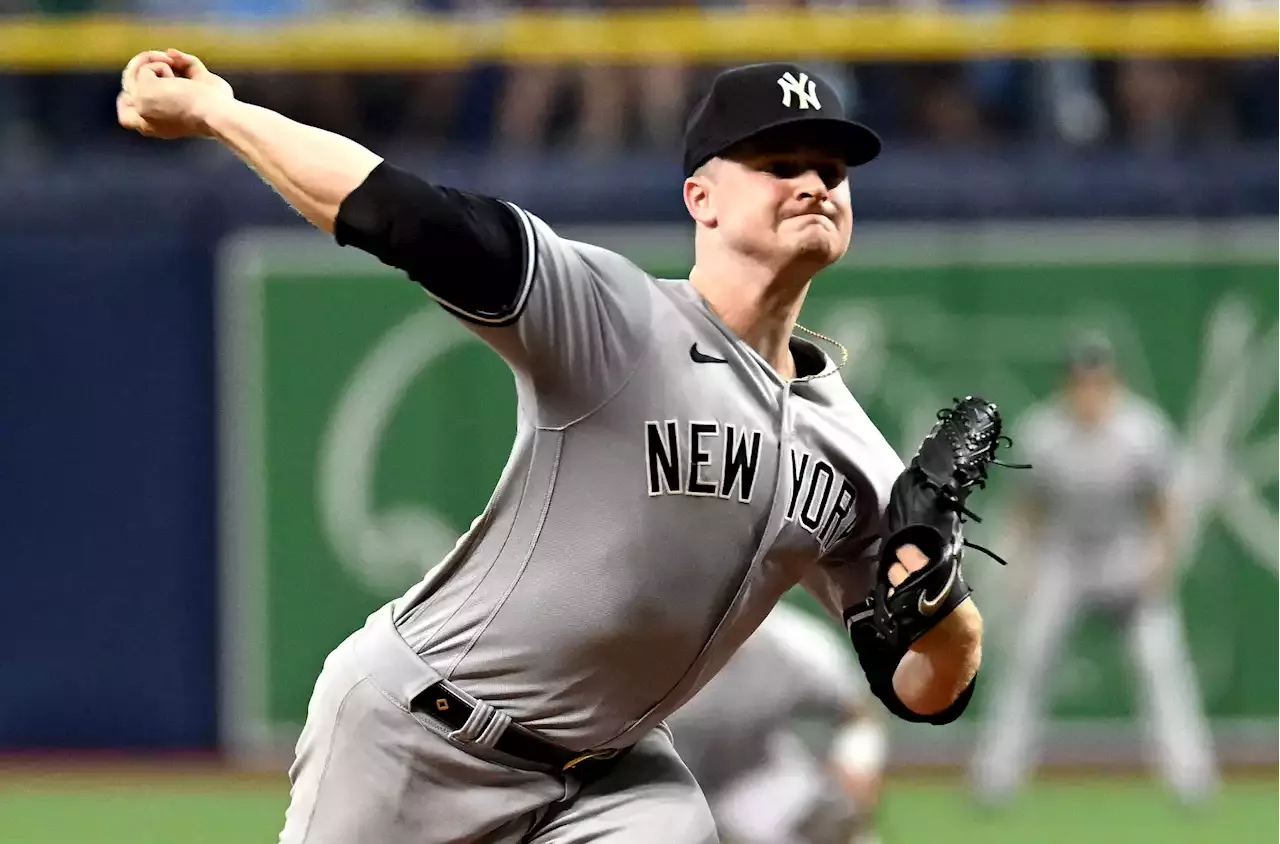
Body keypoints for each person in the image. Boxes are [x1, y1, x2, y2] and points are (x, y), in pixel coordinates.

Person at [118, 52, 986, 843]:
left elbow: (921, 688)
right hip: (419, 731)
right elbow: (402, 213)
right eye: (780, 165)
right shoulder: (613, 317)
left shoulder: (854, 453)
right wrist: (222, 112)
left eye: (832, 171)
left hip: (610, 779)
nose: (814, 184)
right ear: (702, 198)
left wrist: (946, 613)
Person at [969, 333, 1218, 805]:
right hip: (1065, 558)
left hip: (1126, 553)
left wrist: (1162, 561)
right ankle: (995, 778)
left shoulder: (1142, 430)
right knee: (1028, 662)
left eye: (1097, 380)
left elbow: (1167, 503)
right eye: (1080, 381)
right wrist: (1020, 566)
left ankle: (1192, 780)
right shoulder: (1045, 431)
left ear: (1112, 381)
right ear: (1068, 384)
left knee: (1160, 665)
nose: (1088, 390)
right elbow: (1027, 507)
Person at [668, 601, 887, 844]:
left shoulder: (792, 642)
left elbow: (857, 711)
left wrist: (857, 762)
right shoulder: (635, 643)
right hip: (656, 789)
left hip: (757, 779)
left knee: (839, 828)